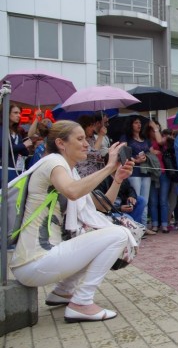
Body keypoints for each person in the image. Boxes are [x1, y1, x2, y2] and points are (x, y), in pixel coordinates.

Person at [10, 120, 134, 323]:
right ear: (61, 143)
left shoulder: (68, 170)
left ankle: (63, 292)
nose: (86, 143)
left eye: (85, 139)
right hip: (35, 261)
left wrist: (117, 178)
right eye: (80, 139)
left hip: (36, 262)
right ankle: (82, 303)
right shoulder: (53, 163)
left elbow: (100, 206)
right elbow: (73, 192)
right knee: (120, 234)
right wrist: (110, 166)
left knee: (100, 237)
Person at [120, 116, 157, 230]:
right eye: (136, 122)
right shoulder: (126, 138)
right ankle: (136, 226)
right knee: (135, 199)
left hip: (146, 171)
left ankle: (143, 227)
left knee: (145, 200)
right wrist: (135, 160)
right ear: (131, 124)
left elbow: (153, 152)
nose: (139, 125)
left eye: (140, 123)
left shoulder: (145, 138)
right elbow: (123, 153)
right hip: (134, 171)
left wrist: (147, 157)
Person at [0, 104, 33, 181]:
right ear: (6, 113)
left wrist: (25, 145)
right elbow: (6, 148)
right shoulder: (2, 129)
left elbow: (24, 153)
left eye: (19, 113)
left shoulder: (17, 132)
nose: (19, 115)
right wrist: (24, 145)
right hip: (4, 169)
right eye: (15, 113)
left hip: (16, 170)